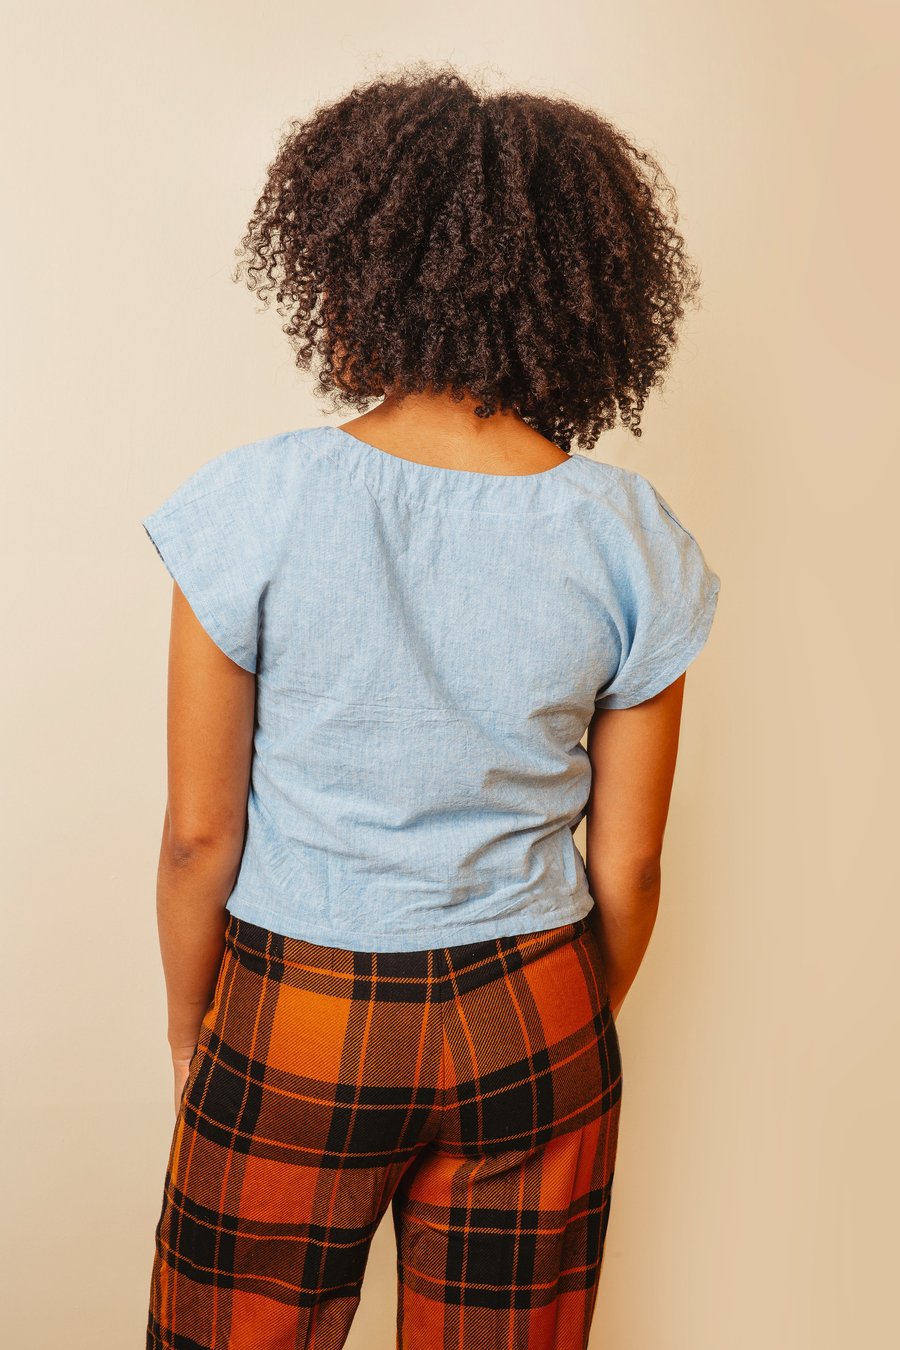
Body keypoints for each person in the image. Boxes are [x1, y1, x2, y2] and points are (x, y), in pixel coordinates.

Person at [140, 63, 721, 1350]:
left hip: (297, 1011)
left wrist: (193, 1032)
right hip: (537, 1004)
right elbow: (630, 864)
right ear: (583, 290)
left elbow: (198, 835)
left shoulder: (255, 503)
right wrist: (555, 1027)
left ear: (356, 270)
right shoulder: (626, 533)